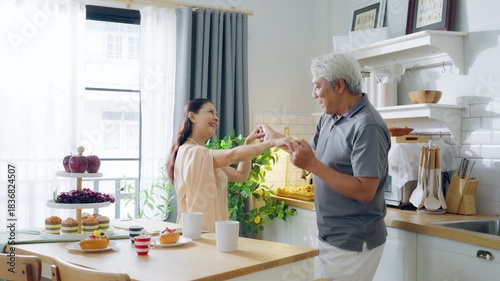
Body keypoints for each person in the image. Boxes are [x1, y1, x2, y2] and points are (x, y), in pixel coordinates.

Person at [260, 53, 391, 281]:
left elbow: (365, 191)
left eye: (317, 87)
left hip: (354, 242)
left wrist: (312, 164)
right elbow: (308, 154)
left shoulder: (367, 126)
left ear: (339, 85)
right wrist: (275, 138)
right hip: (329, 235)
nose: (314, 95)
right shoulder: (330, 118)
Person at [166, 98, 293, 233]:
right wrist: (271, 142)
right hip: (197, 234)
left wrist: (248, 144)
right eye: (210, 112)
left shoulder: (202, 155)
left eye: (217, 115)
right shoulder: (192, 152)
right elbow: (232, 156)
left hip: (206, 232)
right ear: (192, 116)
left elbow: (241, 176)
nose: (216, 118)